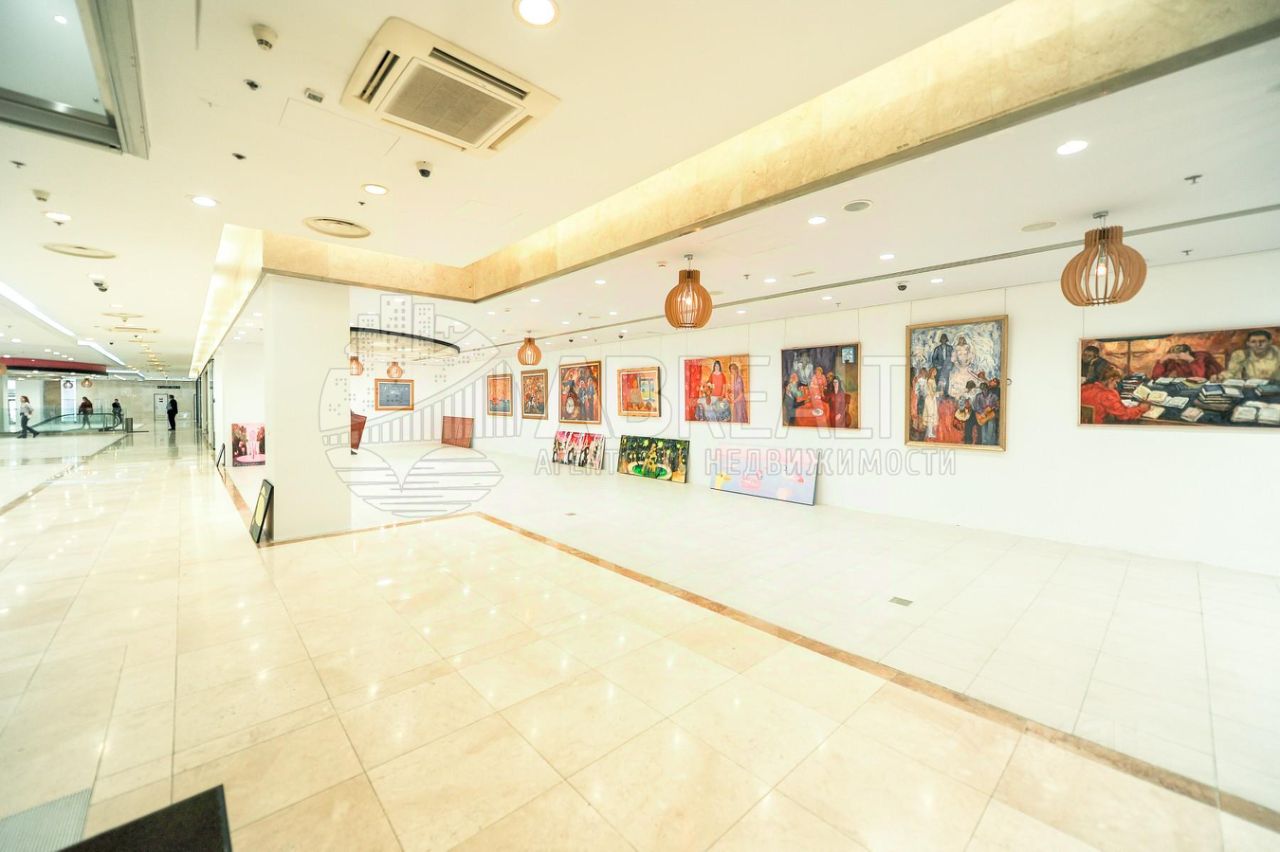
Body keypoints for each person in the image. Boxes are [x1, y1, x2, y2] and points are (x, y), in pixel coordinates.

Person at [1081, 367, 1150, 423]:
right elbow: (1123, 414)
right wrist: (1140, 409)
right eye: (1116, 382)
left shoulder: (1086, 387)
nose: (1116, 385)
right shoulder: (1107, 395)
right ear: (1111, 379)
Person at [1151, 343, 1222, 380]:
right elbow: (1155, 377)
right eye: (1174, 356)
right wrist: (1162, 360)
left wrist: (1190, 360)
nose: (1176, 359)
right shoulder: (1171, 360)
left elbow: (1200, 378)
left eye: (1178, 356)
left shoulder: (1201, 357)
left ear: (1187, 353)